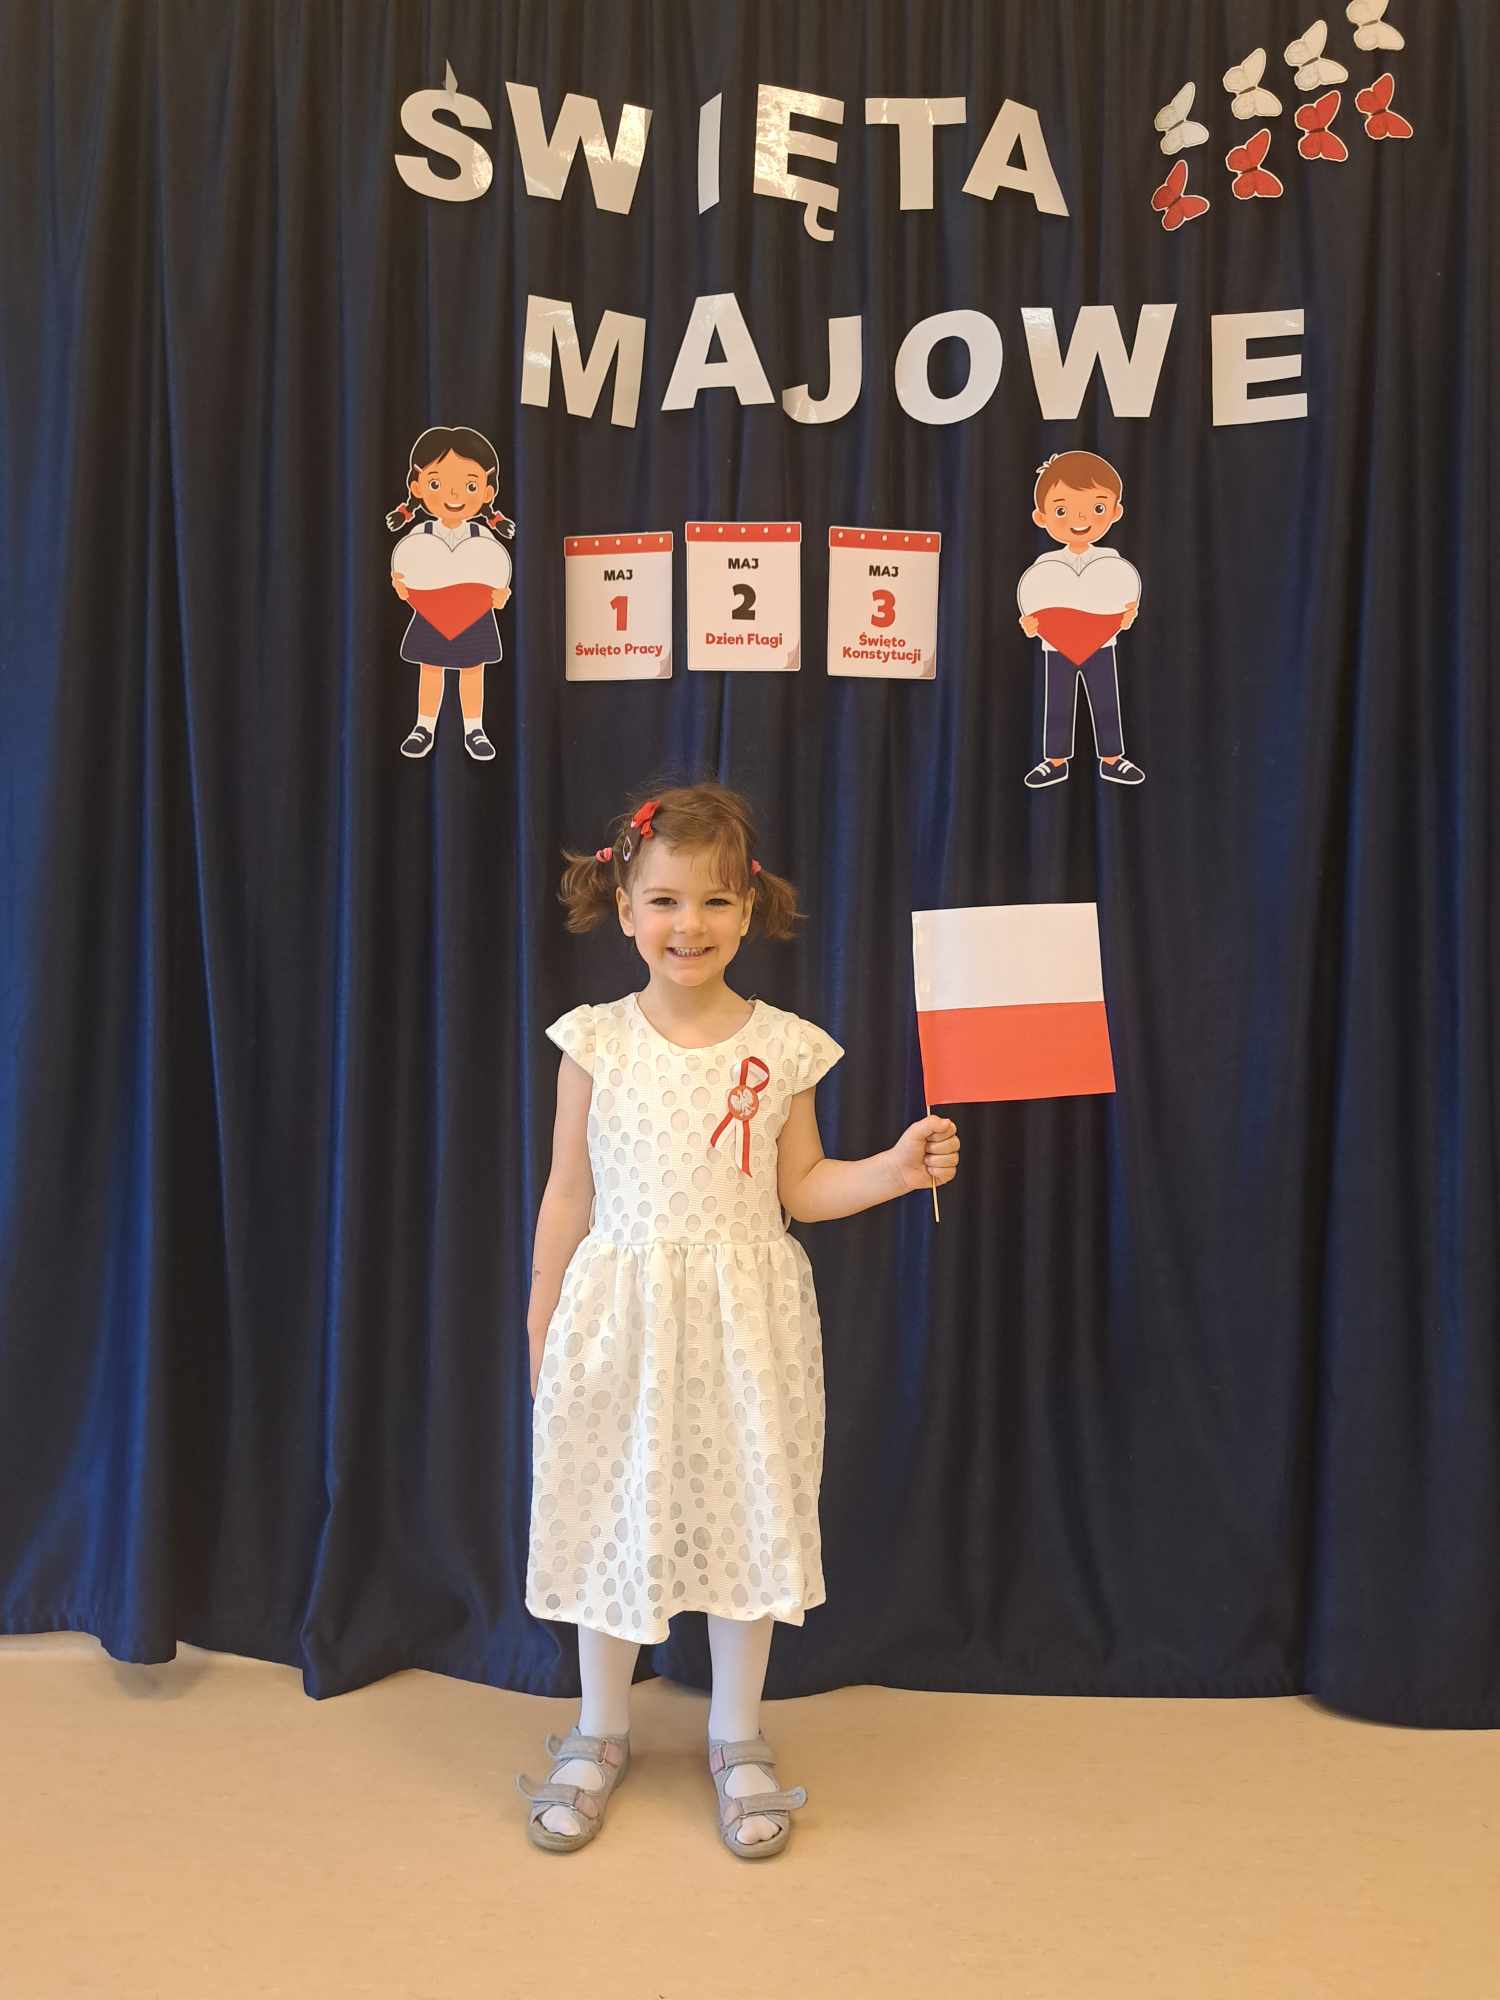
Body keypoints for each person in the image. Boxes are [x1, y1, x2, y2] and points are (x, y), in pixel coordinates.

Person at [517, 781, 960, 1858]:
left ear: (750, 909)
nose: (690, 924)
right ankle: (600, 1726)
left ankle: (735, 1732)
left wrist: (896, 1170)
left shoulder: (786, 1046)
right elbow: (568, 1192)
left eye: (716, 901)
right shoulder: (596, 1043)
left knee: (746, 1512)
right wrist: (543, 1319)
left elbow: (801, 1186)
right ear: (625, 907)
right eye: (666, 900)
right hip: (622, 1320)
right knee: (617, 1513)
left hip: (745, 1325)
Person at [1017, 449, 1146, 788]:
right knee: (1058, 703)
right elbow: (1034, 606)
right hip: (1056, 648)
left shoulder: (1111, 560)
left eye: (1097, 508)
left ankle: (1112, 759)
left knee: (1106, 701)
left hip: (1102, 645)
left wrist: (1126, 617)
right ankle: (1054, 761)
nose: (1079, 518)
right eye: (1061, 510)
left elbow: (1122, 603)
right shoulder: (1045, 565)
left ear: (1116, 512)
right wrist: (1031, 626)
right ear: (1041, 517)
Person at [385, 425, 514, 762]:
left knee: (473, 671)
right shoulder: (420, 534)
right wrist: (402, 587)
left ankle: (475, 729)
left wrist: (499, 596)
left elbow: (496, 574)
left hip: (475, 614)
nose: (454, 494)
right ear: (417, 487)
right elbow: (407, 571)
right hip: (431, 612)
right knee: (430, 669)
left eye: (470, 485)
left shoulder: (483, 537)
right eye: (436, 483)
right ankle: (424, 726)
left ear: (487, 492)